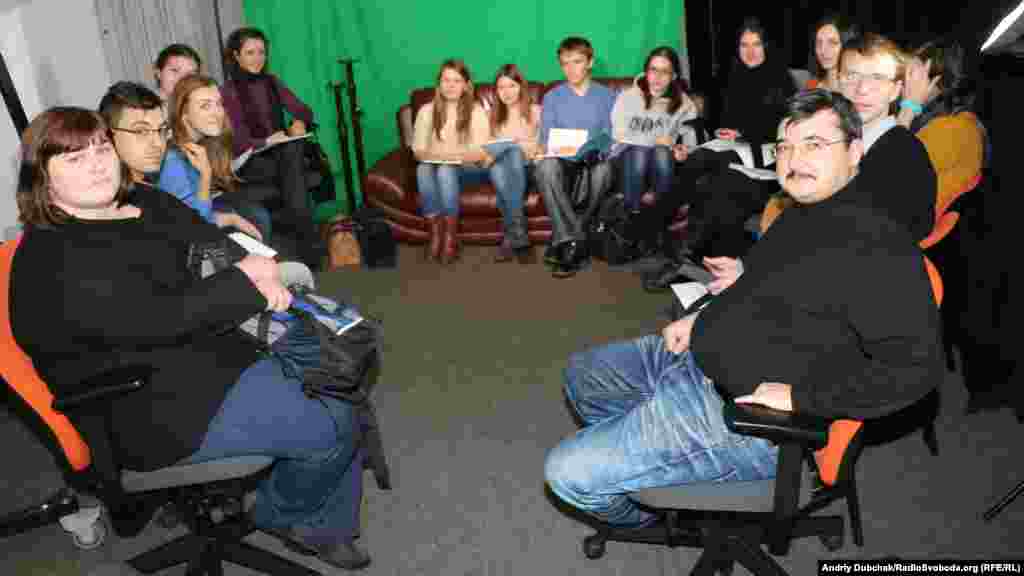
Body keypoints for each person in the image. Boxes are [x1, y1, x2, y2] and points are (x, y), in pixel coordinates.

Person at [543, 89, 943, 532]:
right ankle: (651, 462)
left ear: (854, 152)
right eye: (785, 147)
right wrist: (701, 318)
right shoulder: (801, 211)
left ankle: (660, 519)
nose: (794, 160)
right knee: (583, 376)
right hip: (697, 360)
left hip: (745, 419)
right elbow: (761, 284)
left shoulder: (878, 246)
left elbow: (916, 369)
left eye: (814, 144)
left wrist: (801, 399)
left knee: (567, 473)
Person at [10, 107, 371, 570]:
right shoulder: (52, 262)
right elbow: (158, 319)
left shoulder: (141, 198)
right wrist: (247, 282)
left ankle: (323, 522)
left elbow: (207, 240)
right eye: (74, 158)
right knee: (332, 420)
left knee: (341, 373)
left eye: (101, 149)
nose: (97, 165)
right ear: (41, 178)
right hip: (151, 402)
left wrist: (256, 268)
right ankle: (281, 514)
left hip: (207, 345)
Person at [642, 17, 795, 291]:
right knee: (696, 161)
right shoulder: (733, 76)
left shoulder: (782, 80)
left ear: (766, 46)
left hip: (765, 155)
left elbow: (781, 128)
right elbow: (721, 118)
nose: (750, 51)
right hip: (734, 147)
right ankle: (663, 234)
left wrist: (742, 133)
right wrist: (723, 131)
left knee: (714, 174)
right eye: (744, 45)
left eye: (756, 44)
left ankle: (674, 247)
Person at [221, 27, 322, 268]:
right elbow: (237, 141)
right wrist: (267, 141)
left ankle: (307, 249)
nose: (258, 58)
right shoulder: (226, 91)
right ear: (236, 56)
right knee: (293, 165)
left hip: (281, 155)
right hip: (249, 161)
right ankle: (311, 249)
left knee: (291, 157)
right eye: (250, 52)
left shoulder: (272, 82)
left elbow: (303, 110)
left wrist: (299, 122)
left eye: (262, 52)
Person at [534, 36, 617, 278]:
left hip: (593, 161)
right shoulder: (552, 97)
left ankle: (564, 240)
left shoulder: (608, 96)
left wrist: (599, 148)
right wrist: (544, 150)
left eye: (577, 62)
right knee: (545, 167)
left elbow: (612, 136)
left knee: (604, 170)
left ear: (589, 62)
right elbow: (546, 138)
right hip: (563, 162)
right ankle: (576, 239)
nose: (570, 69)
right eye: (565, 63)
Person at [158, 74, 267, 241]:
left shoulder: (203, 144)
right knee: (255, 217)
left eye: (219, 104)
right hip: (189, 236)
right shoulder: (173, 161)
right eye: (205, 106)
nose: (217, 113)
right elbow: (194, 226)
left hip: (203, 214)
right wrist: (206, 175)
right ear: (184, 114)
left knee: (255, 213)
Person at [610, 46, 697, 252]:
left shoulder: (684, 104)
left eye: (664, 72)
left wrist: (683, 150)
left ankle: (655, 224)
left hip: (662, 164)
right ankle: (633, 219)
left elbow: (691, 140)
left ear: (673, 76)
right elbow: (618, 135)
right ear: (646, 71)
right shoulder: (627, 97)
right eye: (653, 70)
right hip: (628, 162)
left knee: (661, 153)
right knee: (641, 152)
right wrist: (655, 140)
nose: (657, 77)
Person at [411, 59, 491, 265]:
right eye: (446, 80)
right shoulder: (426, 111)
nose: (451, 86)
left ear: (466, 85)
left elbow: (481, 152)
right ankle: (436, 234)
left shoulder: (476, 111)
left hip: (471, 170)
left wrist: (446, 156)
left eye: (457, 81)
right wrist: (440, 156)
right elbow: (418, 151)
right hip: (435, 167)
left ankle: (450, 238)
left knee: (445, 168)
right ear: (439, 84)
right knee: (423, 168)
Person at [898, 38, 985, 215]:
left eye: (912, 74)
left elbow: (885, 181)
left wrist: (907, 109)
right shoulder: (958, 121)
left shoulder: (950, 130)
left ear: (938, 83)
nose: (901, 81)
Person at [489, 63, 541, 263]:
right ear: (496, 91)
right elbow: (488, 148)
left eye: (512, 85)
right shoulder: (492, 116)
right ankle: (518, 236)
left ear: (521, 87)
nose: (507, 92)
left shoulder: (536, 111)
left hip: (528, 168)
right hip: (501, 168)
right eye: (501, 87)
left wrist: (517, 146)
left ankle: (512, 237)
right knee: (497, 167)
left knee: (514, 152)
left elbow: (543, 144)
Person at [808, 14, 860, 91]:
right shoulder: (812, 84)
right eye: (819, 43)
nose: (823, 50)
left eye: (833, 43)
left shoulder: (860, 88)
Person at [154, 43, 201, 108]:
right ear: (158, 73)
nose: (182, 78)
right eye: (175, 70)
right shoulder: (146, 109)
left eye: (190, 74)